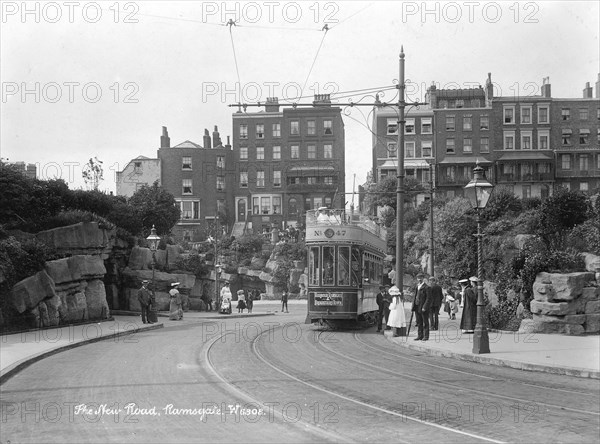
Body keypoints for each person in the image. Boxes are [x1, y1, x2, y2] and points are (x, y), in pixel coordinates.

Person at [411, 273, 432, 341]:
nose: (419, 279)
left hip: (423, 307)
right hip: (417, 307)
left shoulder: (427, 287)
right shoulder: (417, 287)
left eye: (421, 278)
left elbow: (429, 298)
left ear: (423, 278)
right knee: (419, 322)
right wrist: (413, 306)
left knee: (425, 322)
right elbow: (415, 297)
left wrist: (424, 307)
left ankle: (426, 336)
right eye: (418, 278)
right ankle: (420, 335)